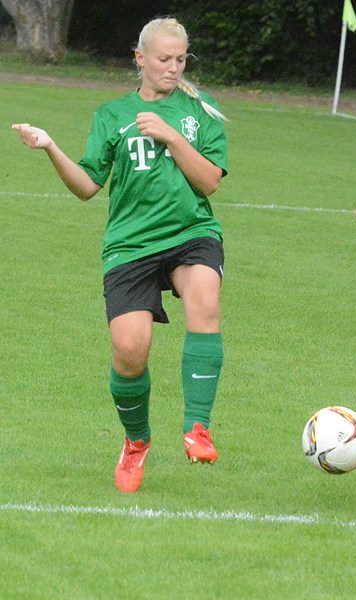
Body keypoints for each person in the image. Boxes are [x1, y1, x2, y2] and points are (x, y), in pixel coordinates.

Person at [12, 17, 229, 493]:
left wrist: (172, 136)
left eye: (181, 59)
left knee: (205, 297)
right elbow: (87, 186)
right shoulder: (113, 115)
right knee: (130, 351)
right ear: (140, 59)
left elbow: (210, 181)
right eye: (164, 59)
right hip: (130, 243)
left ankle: (198, 426)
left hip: (190, 231)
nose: (173, 68)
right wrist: (50, 146)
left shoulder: (200, 111)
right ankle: (136, 441)